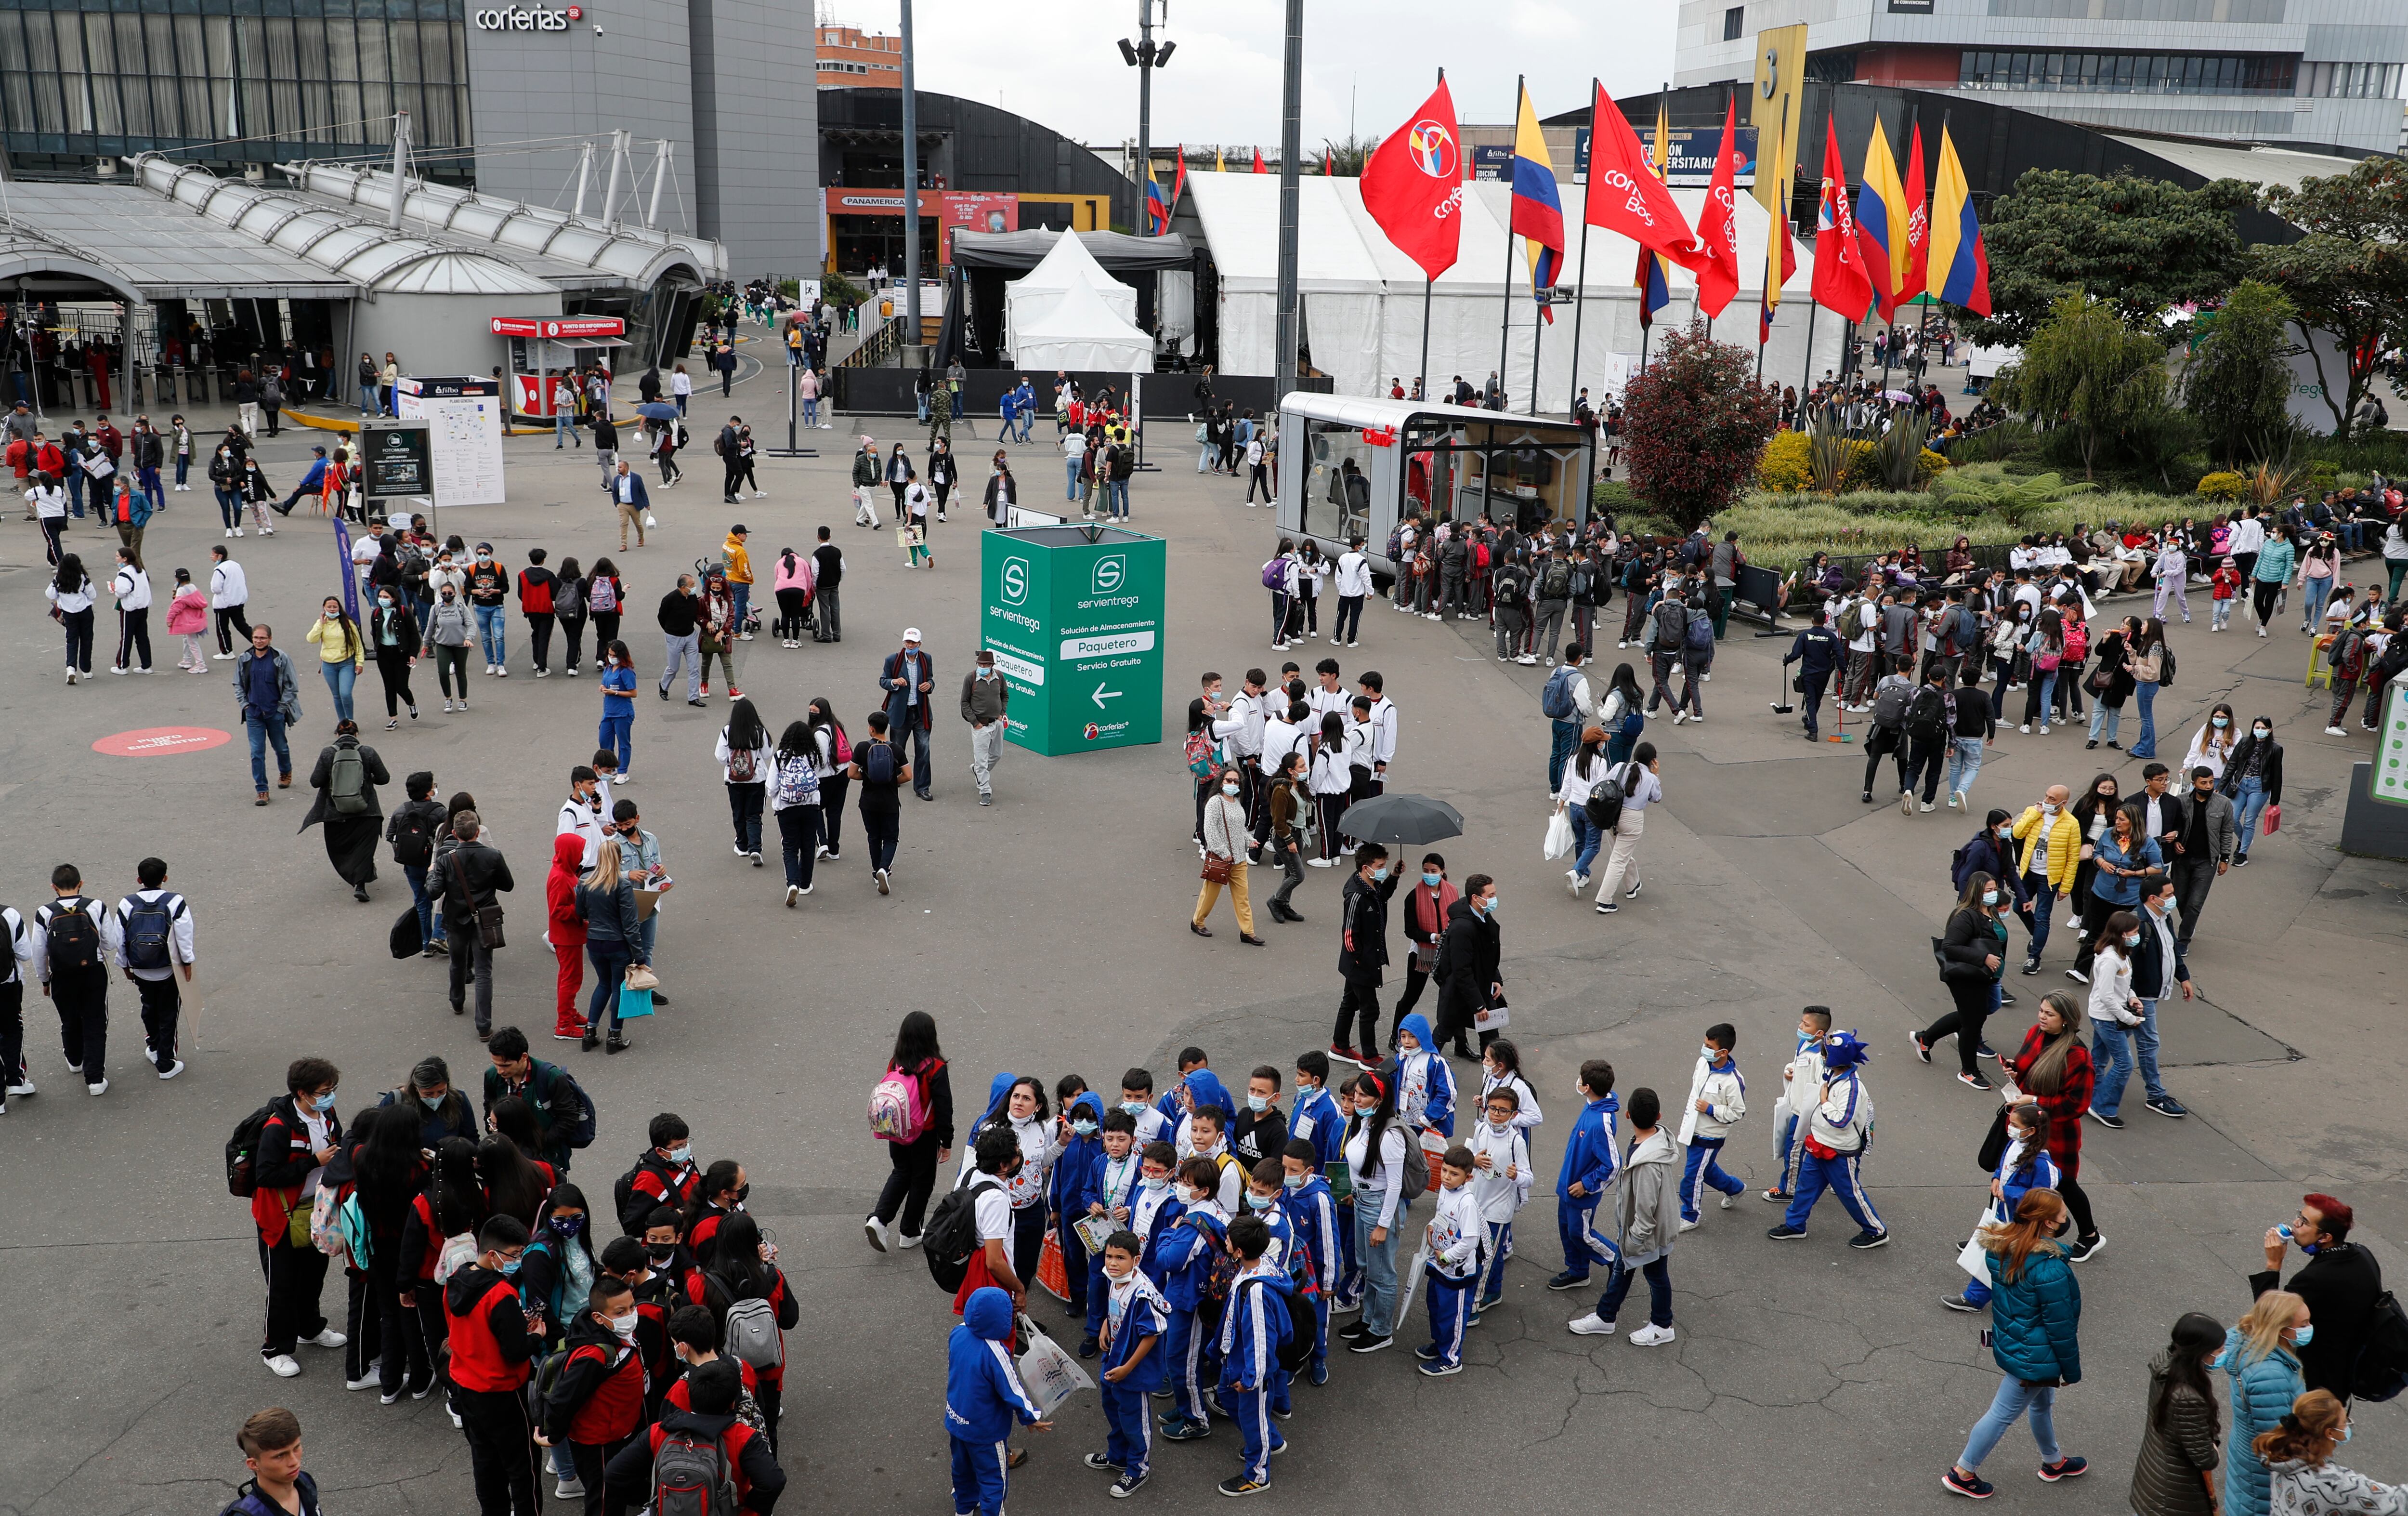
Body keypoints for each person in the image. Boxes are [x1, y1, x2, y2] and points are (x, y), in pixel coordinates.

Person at [1942, 1189, 2089, 1498]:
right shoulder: (2051, 1270)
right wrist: (2072, 1371)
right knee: (2001, 1414)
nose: (2066, 1220)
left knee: (2042, 1404)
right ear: (2049, 1224)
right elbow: (2060, 1328)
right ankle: (1963, 1473)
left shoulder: (2002, 1249)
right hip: (2036, 1356)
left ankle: (2054, 1462)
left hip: (2016, 1341)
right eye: (2063, 1216)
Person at [249, 1055, 347, 1376]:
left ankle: (310, 1328)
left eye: (332, 1089)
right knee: (283, 1285)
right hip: (280, 1217)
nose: (329, 1096)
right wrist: (312, 1160)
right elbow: (265, 1175)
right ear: (302, 1093)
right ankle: (275, 1348)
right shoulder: (277, 1128)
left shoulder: (327, 1114)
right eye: (323, 1091)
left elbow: (339, 1143)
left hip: (316, 1210)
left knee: (314, 1274)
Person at [445, 1215, 545, 1516]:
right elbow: (515, 1352)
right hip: (503, 1392)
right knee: (523, 1469)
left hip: (467, 1387)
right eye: (515, 1255)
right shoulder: (502, 1294)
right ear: (493, 1254)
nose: (518, 1261)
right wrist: (536, 1336)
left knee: (485, 1462)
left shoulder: (456, 1280)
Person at [1567, 1083, 1681, 1344]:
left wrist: (1631, 1242)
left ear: (1627, 1116)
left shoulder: (1647, 1165)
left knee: (1654, 1275)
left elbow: (1646, 1212)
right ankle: (1606, 1316)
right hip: (1644, 1232)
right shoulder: (1652, 1142)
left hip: (1645, 1234)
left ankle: (1663, 1325)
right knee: (1625, 1270)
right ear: (1659, 1117)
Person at [2255, 1194, 2383, 1401]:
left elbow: (2269, 1317)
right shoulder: (2363, 1255)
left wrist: (2273, 1265)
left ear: (2325, 1238)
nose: (2296, 1224)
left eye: (2304, 1222)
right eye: (2300, 1215)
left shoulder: (2313, 1279)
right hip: (2348, 1369)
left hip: (2316, 1384)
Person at [1768, 1030, 1886, 1248]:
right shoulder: (1834, 1076)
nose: (1822, 1058)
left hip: (1840, 1152)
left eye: (1825, 1055)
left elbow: (1842, 1120)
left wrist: (1824, 1102)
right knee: (1805, 1188)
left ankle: (1876, 1230)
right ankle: (1795, 1225)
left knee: (1850, 1194)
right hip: (1820, 1145)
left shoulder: (1852, 1087)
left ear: (1832, 1059)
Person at [2009, 990, 2104, 1260]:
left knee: (2063, 1185)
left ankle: (2090, 1235)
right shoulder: (2035, 1033)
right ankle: (2002, 1231)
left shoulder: (2078, 1056)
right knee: (2011, 1177)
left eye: (2049, 1014)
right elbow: (2027, 1069)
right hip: (2026, 1126)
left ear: (2066, 1020)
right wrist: (2015, 1071)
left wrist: (2036, 1100)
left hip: (2057, 1134)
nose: (2042, 1017)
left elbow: (2077, 1105)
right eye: (2041, 1011)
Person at [945, 1286, 1050, 1516]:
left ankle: (963, 1510)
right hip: (986, 1432)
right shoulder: (996, 1352)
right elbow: (1012, 1390)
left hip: (956, 1421)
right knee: (994, 1480)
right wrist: (1030, 1416)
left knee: (962, 1471)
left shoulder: (959, 1332)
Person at [1090, 1229, 1168, 1497]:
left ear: (1136, 1260)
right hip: (1113, 1359)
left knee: (1135, 1419)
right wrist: (1104, 1326)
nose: (1112, 1263)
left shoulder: (1143, 1294)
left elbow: (1151, 1335)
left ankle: (1138, 1468)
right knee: (1112, 1408)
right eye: (1109, 1256)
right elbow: (1114, 1308)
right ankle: (1118, 1455)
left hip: (1133, 1369)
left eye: (1120, 1258)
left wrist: (1128, 1368)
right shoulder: (1115, 1278)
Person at [1915, 872, 2012, 1089]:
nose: (1993, 894)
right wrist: (1984, 958)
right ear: (1976, 892)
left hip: (1987, 976)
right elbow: (1950, 946)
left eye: (1995, 889)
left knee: (1972, 1015)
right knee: (1973, 1022)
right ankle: (1968, 1071)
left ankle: (1925, 1038)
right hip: (1967, 976)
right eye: (1988, 890)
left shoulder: (1992, 913)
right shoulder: (1966, 916)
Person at [1338, 1070, 1411, 1355]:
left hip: (1379, 1208)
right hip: (1362, 1201)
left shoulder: (1390, 1135)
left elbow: (1394, 1185)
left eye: (1363, 1095)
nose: (1356, 1100)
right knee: (1366, 1266)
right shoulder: (1366, 1123)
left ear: (1380, 1100)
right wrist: (1355, 1191)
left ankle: (1381, 1331)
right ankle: (1369, 1319)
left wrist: (1382, 1225)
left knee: (1382, 1274)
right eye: (1356, 1094)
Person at [2221, 1291, 2312, 1516]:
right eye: (2304, 1324)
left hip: (2248, 1458)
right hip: (2263, 1478)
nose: (2309, 1328)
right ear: (2281, 1330)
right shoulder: (2271, 1376)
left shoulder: (2250, 1344)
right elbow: (2279, 1441)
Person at [2129, 1312, 2229, 1516]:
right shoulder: (2188, 1399)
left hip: (2154, 1476)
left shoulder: (2166, 1367)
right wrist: (2213, 1447)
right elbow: (2206, 1459)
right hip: (2175, 1498)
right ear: (2201, 1353)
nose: (2223, 1354)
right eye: (2219, 1351)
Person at [431, 808, 513, 1039]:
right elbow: (508, 885)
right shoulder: (493, 856)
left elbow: (434, 891)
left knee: (458, 963)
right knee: (484, 971)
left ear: (455, 833)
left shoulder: (447, 859)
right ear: (478, 832)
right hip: (485, 918)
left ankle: (457, 1001)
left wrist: (432, 873)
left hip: (456, 920)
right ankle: (484, 1026)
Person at [113, 856, 195, 1082]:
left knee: (149, 1006)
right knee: (168, 1012)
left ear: (139, 879)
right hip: (168, 968)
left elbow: (119, 937)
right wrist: (187, 963)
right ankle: (166, 1063)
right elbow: (184, 936)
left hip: (140, 968)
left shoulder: (127, 903)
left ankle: (154, 1047)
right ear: (165, 878)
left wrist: (124, 965)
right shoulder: (175, 901)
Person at [301, 719, 390, 903]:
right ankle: (361, 884)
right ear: (356, 734)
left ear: (337, 735)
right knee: (364, 848)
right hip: (367, 811)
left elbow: (315, 781)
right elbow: (384, 778)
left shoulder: (328, 753)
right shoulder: (367, 752)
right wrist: (367, 778)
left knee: (342, 849)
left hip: (336, 813)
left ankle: (353, 875)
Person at [1675, 1024, 1747, 1225]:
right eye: (1704, 1043)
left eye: (1709, 1046)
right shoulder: (1703, 1063)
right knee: (1704, 1171)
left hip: (1710, 1137)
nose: (1704, 1049)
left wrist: (1711, 1109)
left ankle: (1690, 1215)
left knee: (1692, 1176)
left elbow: (1737, 1112)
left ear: (1724, 1052)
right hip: (1693, 1129)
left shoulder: (1733, 1082)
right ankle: (1735, 1188)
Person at [1335, 843, 1399, 1057]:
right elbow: (1349, 935)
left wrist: (1393, 876)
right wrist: (1361, 961)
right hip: (1360, 963)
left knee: (1350, 1002)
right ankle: (1369, 1056)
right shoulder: (1356, 896)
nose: (1382, 869)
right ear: (1365, 867)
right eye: (1380, 866)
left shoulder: (1373, 885)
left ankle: (1340, 1046)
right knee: (1370, 1010)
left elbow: (1384, 896)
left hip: (1362, 961)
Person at [1430, 877, 1502, 1057]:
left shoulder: (1483, 915)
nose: (1495, 898)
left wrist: (1496, 978)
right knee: (1444, 1032)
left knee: (1491, 1037)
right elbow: (1462, 971)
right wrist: (1478, 1006)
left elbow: (1488, 954)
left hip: (1481, 987)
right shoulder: (1462, 928)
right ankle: (1423, 1072)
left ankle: (1491, 1079)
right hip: (1461, 993)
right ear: (1476, 898)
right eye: (1491, 895)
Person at [1193, 764, 1263, 943]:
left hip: (1239, 860)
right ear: (1221, 782)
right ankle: (1198, 921)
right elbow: (1210, 831)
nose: (1233, 784)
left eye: (1236, 781)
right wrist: (1223, 852)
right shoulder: (1215, 803)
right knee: (1210, 895)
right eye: (1229, 780)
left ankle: (1248, 931)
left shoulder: (1237, 803)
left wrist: (1249, 840)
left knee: (1243, 897)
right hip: (1221, 860)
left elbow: (1240, 829)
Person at [1593, 742, 1662, 915]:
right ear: (1652, 761)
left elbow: (1606, 783)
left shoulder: (1619, 767)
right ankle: (1604, 900)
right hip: (1632, 819)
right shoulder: (1650, 778)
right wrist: (1656, 775)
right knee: (1619, 858)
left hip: (1611, 813)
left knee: (1620, 854)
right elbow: (1657, 798)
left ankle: (1632, 885)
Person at [222, 1407, 325, 1516]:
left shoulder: (305, 1481)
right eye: (280, 1456)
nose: (294, 1462)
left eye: (296, 1448)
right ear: (254, 1464)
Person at [849, 709, 908, 894]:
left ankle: (877, 872)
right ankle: (885, 868)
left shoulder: (861, 748)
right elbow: (908, 775)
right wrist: (892, 781)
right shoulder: (896, 749)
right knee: (891, 838)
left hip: (868, 801)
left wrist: (867, 779)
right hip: (890, 801)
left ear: (872, 729)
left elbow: (851, 773)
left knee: (874, 837)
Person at [879, 628, 937, 800]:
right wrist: (894, 682)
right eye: (908, 642)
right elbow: (883, 681)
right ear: (904, 643)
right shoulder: (893, 660)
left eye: (913, 643)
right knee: (897, 750)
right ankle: (893, 779)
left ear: (919, 644)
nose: (910, 645)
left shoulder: (926, 659)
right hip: (900, 713)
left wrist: (930, 685)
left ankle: (922, 787)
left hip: (921, 713)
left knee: (924, 751)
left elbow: (931, 679)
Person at [2222, 718, 2284, 867]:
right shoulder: (2244, 743)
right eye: (2257, 727)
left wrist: (2275, 801)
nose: (2260, 730)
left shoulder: (2275, 749)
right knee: (2233, 818)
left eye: (2263, 728)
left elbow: (2277, 774)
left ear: (2270, 730)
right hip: (2241, 785)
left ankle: (2242, 853)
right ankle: (2245, 840)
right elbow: (2232, 765)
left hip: (2259, 787)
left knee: (2249, 821)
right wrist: (2222, 785)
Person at [961, 648, 1008, 806]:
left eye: (986, 664)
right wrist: (975, 723)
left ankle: (978, 771)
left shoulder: (999, 677)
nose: (983, 666)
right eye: (980, 663)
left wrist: (1002, 713)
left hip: (997, 723)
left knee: (997, 755)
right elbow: (965, 702)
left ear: (992, 665)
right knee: (982, 761)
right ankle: (985, 790)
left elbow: (1005, 696)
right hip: (980, 726)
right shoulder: (971, 678)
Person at [656, 573, 704, 706]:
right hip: (674, 638)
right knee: (674, 668)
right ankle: (664, 686)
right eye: (692, 585)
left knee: (694, 668)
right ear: (683, 588)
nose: (695, 588)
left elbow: (695, 614)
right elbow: (661, 617)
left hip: (690, 636)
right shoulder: (670, 599)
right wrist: (670, 630)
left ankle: (693, 697)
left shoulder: (693, 597)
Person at [107, 545, 153, 675]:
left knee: (126, 637)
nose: (116, 559)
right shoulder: (141, 571)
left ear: (124, 559)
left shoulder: (125, 573)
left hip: (130, 609)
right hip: (143, 607)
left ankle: (122, 665)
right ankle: (146, 665)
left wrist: (115, 589)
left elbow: (122, 592)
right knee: (142, 637)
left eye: (118, 557)